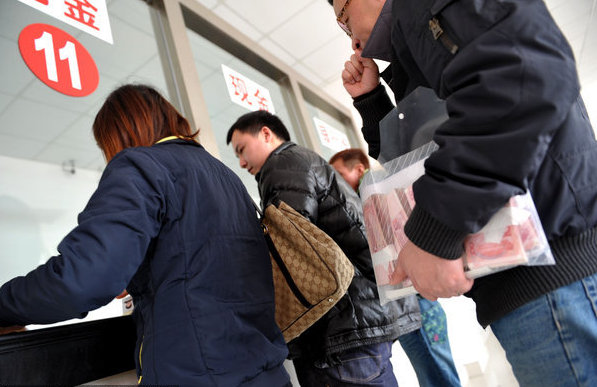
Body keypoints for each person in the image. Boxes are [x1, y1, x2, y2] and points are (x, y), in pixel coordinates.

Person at [329, 0, 597, 385]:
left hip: (552, 270)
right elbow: (419, 158)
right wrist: (371, 103)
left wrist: (434, 230)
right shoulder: (413, 48)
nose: (349, 33)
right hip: (529, 274)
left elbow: (520, 83)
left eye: (343, 13)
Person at [0, 84, 291, 386]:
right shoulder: (228, 178)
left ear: (121, 135)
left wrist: (3, 305)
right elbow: (206, 264)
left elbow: (83, 279)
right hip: (266, 371)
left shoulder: (140, 164)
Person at [227, 110, 421, 387]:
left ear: (266, 133)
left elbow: (290, 249)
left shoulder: (282, 164)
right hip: (361, 312)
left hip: (341, 325)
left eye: (242, 149)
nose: (242, 162)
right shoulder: (301, 161)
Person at [330, 148, 461, 387]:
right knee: (433, 371)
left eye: (339, 173)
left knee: (437, 373)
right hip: (404, 304)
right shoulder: (362, 202)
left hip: (418, 302)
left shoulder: (380, 197)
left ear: (359, 169)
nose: (335, 181)